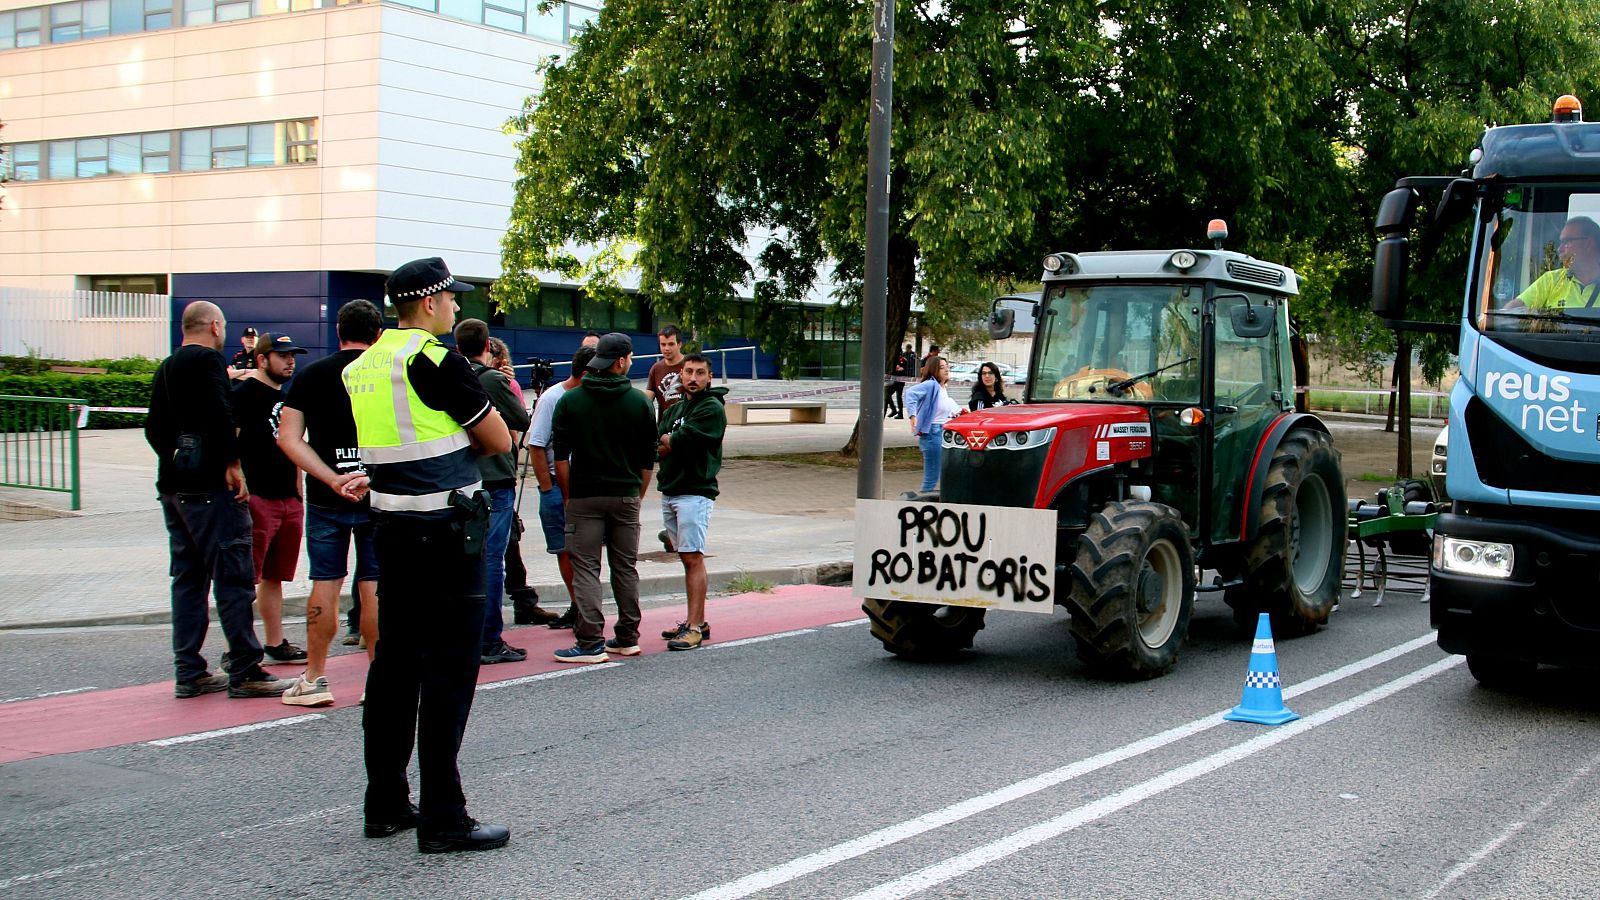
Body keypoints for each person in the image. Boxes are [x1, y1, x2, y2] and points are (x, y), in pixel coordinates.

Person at [344, 257, 512, 854]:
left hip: (391, 527)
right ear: (431, 303)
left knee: (393, 667)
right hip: (448, 531)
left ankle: (385, 802)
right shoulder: (436, 359)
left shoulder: (363, 366)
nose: (459, 308)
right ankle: (445, 815)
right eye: (452, 299)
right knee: (450, 671)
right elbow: (498, 439)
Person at [145, 301, 294, 700]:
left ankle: (189, 671)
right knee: (232, 576)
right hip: (211, 490)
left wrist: (175, 456)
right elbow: (219, 412)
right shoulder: (208, 363)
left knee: (188, 579)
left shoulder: (168, 366)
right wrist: (232, 463)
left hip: (173, 488)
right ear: (214, 326)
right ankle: (245, 669)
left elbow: (153, 426)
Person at [276, 300, 384, 707]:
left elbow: (288, 438)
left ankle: (316, 677)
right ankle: (377, 677)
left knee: (326, 580)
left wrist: (331, 477)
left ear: (339, 331)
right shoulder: (385, 376)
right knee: (373, 583)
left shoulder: (312, 375)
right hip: (377, 493)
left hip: (327, 495)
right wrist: (368, 476)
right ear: (378, 335)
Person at [549, 332, 658, 664]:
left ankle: (590, 640)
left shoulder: (571, 401)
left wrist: (569, 495)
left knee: (585, 567)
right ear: (622, 361)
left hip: (584, 495)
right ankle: (627, 637)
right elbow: (647, 459)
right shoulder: (640, 402)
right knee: (624, 567)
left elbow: (561, 457)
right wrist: (635, 495)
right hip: (625, 494)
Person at [454, 318, 532, 666]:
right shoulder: (494, 380)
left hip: (461, 478)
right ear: (488, 347)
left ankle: (465, 634)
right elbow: (521, 418)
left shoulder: (451, 377)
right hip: (495, 478)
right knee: (492, 560)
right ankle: (489, 638)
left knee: (464, 560)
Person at [233, 332, 310, 666]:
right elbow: (230, 442)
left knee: (275, 575)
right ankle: (240, 646)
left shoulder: (289, 396)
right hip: (258, 496)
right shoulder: (244, 394)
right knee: (246, 576)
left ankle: (275, 641)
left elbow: (295, 442)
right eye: (282, 355)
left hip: (287, 497)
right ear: (262, 359)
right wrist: (241, 482)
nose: (290, 360)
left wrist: (298, 486)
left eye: (292, 355)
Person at [655, 354, 726, 651]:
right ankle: (694, 619)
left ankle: (695, 627)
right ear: (680, 376)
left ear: (709, 377)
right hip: (670, 489)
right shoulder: (675, 409)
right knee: (684, 556)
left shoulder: (711, 408)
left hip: (694, 491)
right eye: (688, 372)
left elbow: (683, 440)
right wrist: (671, 440)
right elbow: (659, 443)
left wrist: (673, 440)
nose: (693, 377)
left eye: (700, 373)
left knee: (693, 557)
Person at [527, 344, 598, 630]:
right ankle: (577, 605)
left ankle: (581, 606)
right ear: (584, 374)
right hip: (557, 485)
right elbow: (536, 445)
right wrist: (548, 489)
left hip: (585, 485)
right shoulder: (553, 399)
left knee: (586, 550)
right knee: (564, 549)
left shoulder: (587, 398)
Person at [489, 337, 556, 626]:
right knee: (498, 544)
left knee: (508, 539)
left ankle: (522, 598)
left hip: (500, 467)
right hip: (487, 473)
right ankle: (519, 600)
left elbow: (517, 429)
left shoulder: (508, 385)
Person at [1512, 216, 1600, 315]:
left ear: (1588, 243)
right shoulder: (1552, 279)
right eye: (1560, 242)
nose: (1559, 249)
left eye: (1567, 242)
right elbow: (1510, 312)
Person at [904, 356, 960, 493]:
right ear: (934, 370)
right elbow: (910, 394)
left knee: (942, 471)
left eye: (947, 366)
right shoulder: (931, 385)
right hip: (932, 434)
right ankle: (922, 504)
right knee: (932, 476)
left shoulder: (942, 388)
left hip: (941, 432)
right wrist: (913, 416)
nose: (946, 369)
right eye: (942, 367)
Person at [645, 325, 686, 421]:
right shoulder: (656, 368)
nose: (666, 348)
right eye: (663, 344)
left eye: (671, 344)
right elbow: (647, 400)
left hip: (686, 427)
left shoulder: (690, 365)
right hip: (663, 428)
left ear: (679, 344)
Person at [885, 344, 913, 418]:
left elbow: (894, 369)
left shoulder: (894, 359)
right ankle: (900, 413)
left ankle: (894, 409)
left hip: (894, 380)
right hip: (901, 380)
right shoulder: (904, 359)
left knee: (887, 395)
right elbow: (906, 369)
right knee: (898, 396)